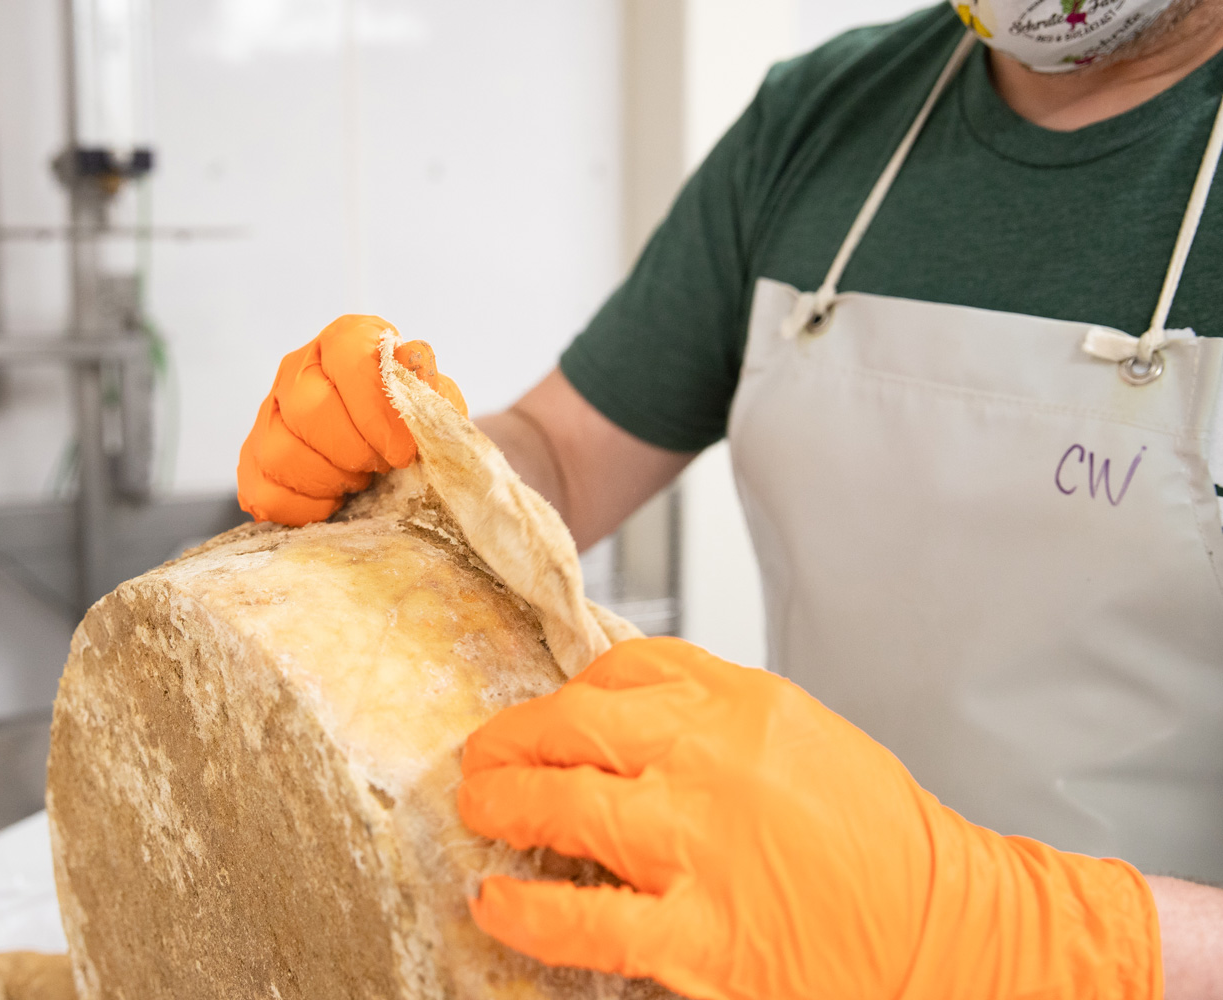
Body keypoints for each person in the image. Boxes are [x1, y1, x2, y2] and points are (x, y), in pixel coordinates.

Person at [237, 0, 1223, 996]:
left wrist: (1010, 932)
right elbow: (568, 455)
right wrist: (421, 457)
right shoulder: (828, 117)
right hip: (766, 960)